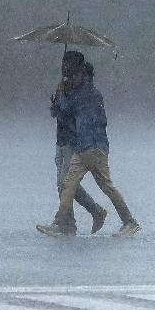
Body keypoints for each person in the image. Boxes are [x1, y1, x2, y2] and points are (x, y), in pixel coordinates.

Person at [37, 59, 140, 236]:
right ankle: (62, 223)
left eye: (76, 75)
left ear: (85, 77)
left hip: (94, 147)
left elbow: (67, 109)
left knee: (102, 186)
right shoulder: (88, 93)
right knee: (69, 185)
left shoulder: (87, 94)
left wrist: (61, 95)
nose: (72, 78)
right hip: (84, 148)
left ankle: (129, 222)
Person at [48, 52, 107, 234]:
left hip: (73, 141)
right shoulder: (64, 87)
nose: (66, 70)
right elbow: (56, 112)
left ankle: (67, 223)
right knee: (66, 183)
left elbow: (72, 114)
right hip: (62, 139)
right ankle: (91, 212)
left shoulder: (81, 90)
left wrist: (62, 104)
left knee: (64, 183)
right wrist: (56, 103)